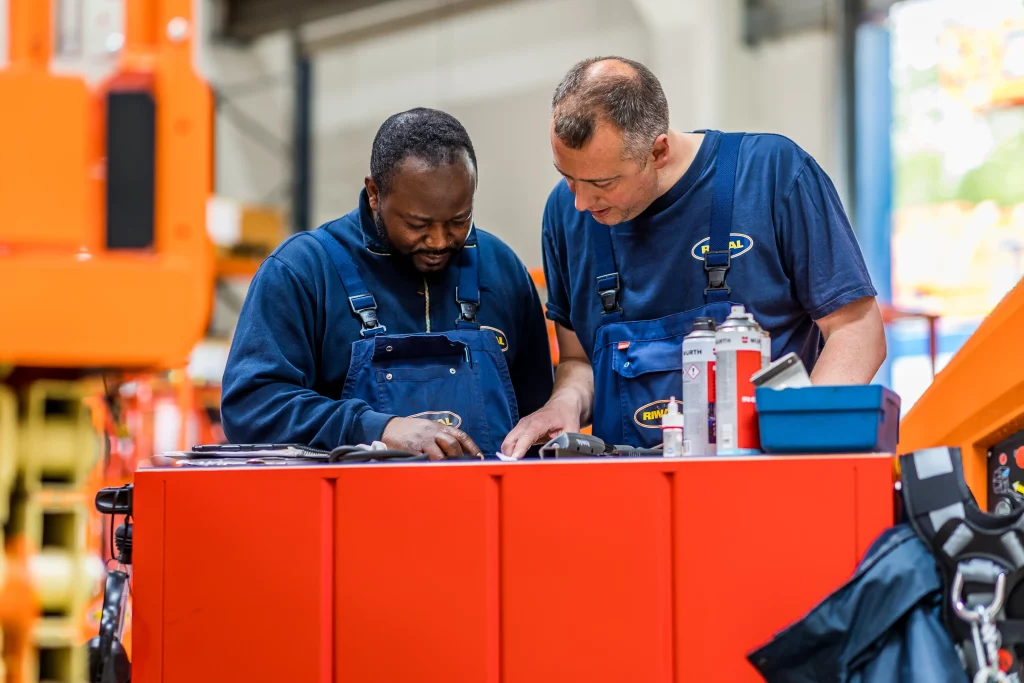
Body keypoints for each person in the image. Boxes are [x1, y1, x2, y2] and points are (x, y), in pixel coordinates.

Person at [502, 56, 886, 458]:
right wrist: (563, 403)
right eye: (567, 177)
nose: (581, 202)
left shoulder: (771, 175)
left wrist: (800, 439)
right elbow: (579, 359)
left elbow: (856, 332)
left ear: (659, 151)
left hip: (762, 487)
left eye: (603, 183)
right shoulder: (565, 214)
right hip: (623, 496)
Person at [222, 108, 554, 460]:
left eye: (460, 220)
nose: (440, 240)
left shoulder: (502, 269)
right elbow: (251, 405)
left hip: (486, 509)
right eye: (418, 223)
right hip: (349, 511)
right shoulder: (303, 271)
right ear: (375, 194)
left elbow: (538, 417)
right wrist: (374, 428)